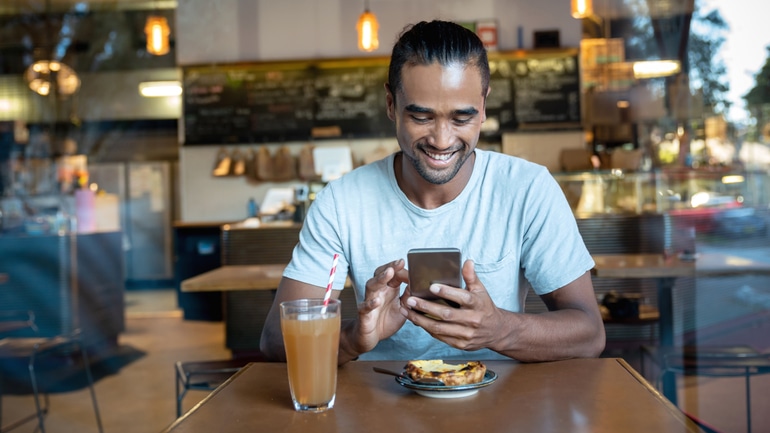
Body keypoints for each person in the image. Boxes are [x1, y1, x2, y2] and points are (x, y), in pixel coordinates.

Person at [260, 20, 605, 363]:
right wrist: (353, 339)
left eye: (461, 118)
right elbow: (275, 338)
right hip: (378, 408)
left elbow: (589, 334)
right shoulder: (342, 202)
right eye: (422, 117)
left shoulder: (527, 189)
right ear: (392, 105)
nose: (442, 140)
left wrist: (500, 329)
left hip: (503, 408)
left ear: (483, 106)